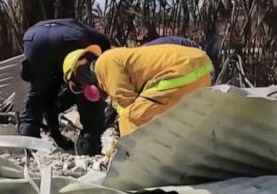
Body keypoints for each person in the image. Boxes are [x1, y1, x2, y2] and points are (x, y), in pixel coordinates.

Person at [62, 44, 213, 139]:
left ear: (81, 72)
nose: (84, 89)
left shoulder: (103, 63)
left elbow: (127, 104)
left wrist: (114, 146)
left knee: (130, 117)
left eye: (78, 85)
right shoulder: (113, 61)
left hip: (180, 72)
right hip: (201, 70)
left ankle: (131, 163)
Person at [19, 18, 111, 156]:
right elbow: (97, 82)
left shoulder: (89, 34)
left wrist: (57, 136)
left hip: (34, 38)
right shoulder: (102, 44)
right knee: (86, 92)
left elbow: (52, 96)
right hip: (71, 39)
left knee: (38, 92)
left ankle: (28, 145)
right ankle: (89, 145)